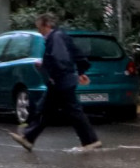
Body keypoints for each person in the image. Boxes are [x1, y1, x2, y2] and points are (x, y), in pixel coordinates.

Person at [8, 13, 101, 152]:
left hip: (60, 81)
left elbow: (60, 59)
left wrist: (53, 73)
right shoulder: (60, 36)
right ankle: (28, 138)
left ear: (46, 25)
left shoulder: (56, 37)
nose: (39, 31)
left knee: (73, 112)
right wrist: (80, 72)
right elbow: (77, 55)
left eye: (40, 28)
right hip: (61, 81)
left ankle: (91, 141)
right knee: (45, 110)